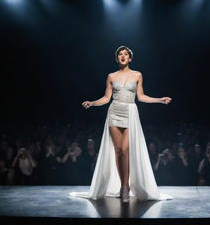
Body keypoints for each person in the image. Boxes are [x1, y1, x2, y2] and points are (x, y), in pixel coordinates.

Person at [70, 46, 173, 203]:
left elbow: (141, 96)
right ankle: (123, 186)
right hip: (114, 112)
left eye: (126, 54)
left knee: (125, 150)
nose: (123, 56)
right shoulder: (111, 76)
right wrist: (92, 103)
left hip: (130, 112)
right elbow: (106, 98)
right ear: (117, 58)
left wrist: (159, 99)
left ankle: (126, 187)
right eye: (120, 54)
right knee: (118, 151)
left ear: (130, 58)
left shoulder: (137, 74)